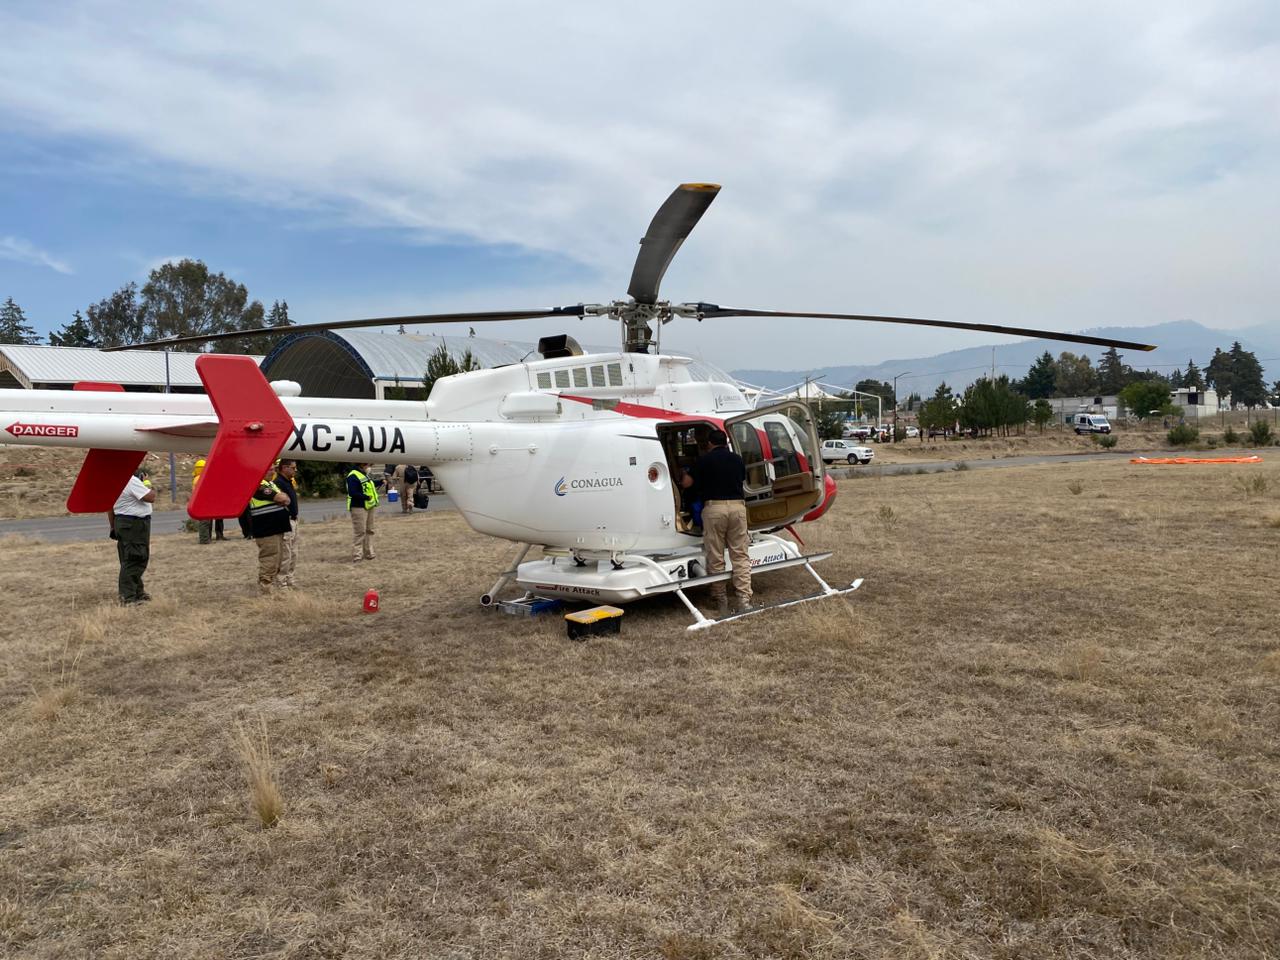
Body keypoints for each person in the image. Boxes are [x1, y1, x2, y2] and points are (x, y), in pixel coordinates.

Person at [681, 428, 752, 615]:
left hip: (714, 509)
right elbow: (741, 479)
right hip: (737, 508)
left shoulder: (703, 460)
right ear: (726, 441)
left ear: (710, 443)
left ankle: (721, 599)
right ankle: (744, 599)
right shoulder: (737, 459)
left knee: (716, 555)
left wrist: (684, 473)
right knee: (740, 555)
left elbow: (687, 483)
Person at [112, 466, 156, 604]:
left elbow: (109, 507)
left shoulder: (115, 481)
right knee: (136, 559)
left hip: (121, 521)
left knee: (128, 558)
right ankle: (128, 597)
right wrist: (147, 483)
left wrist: (113, 526)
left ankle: (137, 592)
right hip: (135, 524)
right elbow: (150, 497)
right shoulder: (131, 481)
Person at [248, 463, 292, 595]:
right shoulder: (257, 484)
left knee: (278, 560)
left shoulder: (271, 484)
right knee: (269, 559)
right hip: (266, 529)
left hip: (276, 528)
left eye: (273, 469)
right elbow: (282, 497)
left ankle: (271, 588)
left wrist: (282, 498)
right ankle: (265, 590)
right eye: (269, 469)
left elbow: (287, 498)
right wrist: (281, 498)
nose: (272, 472)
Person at [273, 459, 300, 589]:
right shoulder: (278, 483)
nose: (295, 470)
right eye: (293, 468)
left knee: (293, 552)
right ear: (284, 468)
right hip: (286, 521)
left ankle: (290, 578)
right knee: (285, 553)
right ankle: (281, 581)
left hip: (294, 520)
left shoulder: (288, 482)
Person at [347, 462, 380, 562]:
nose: (369, 468)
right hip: (358, 507)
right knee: (360, 532)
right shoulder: (353, 476)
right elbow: (353, 492)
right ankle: (357, 555)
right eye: (368, 465)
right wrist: (366, 497)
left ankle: (369, 553)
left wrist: (381, 482)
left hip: (369, 506)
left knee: (370, 530)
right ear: (362, 465)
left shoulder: (364, 475)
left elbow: (370, 485)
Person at [191, 458, 226, 543]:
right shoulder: (201, 478)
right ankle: (206, 539)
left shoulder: (197, 478)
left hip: (202, 501)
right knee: (205, 521)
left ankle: (207, 537)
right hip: (205, 502)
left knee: (207, 521)